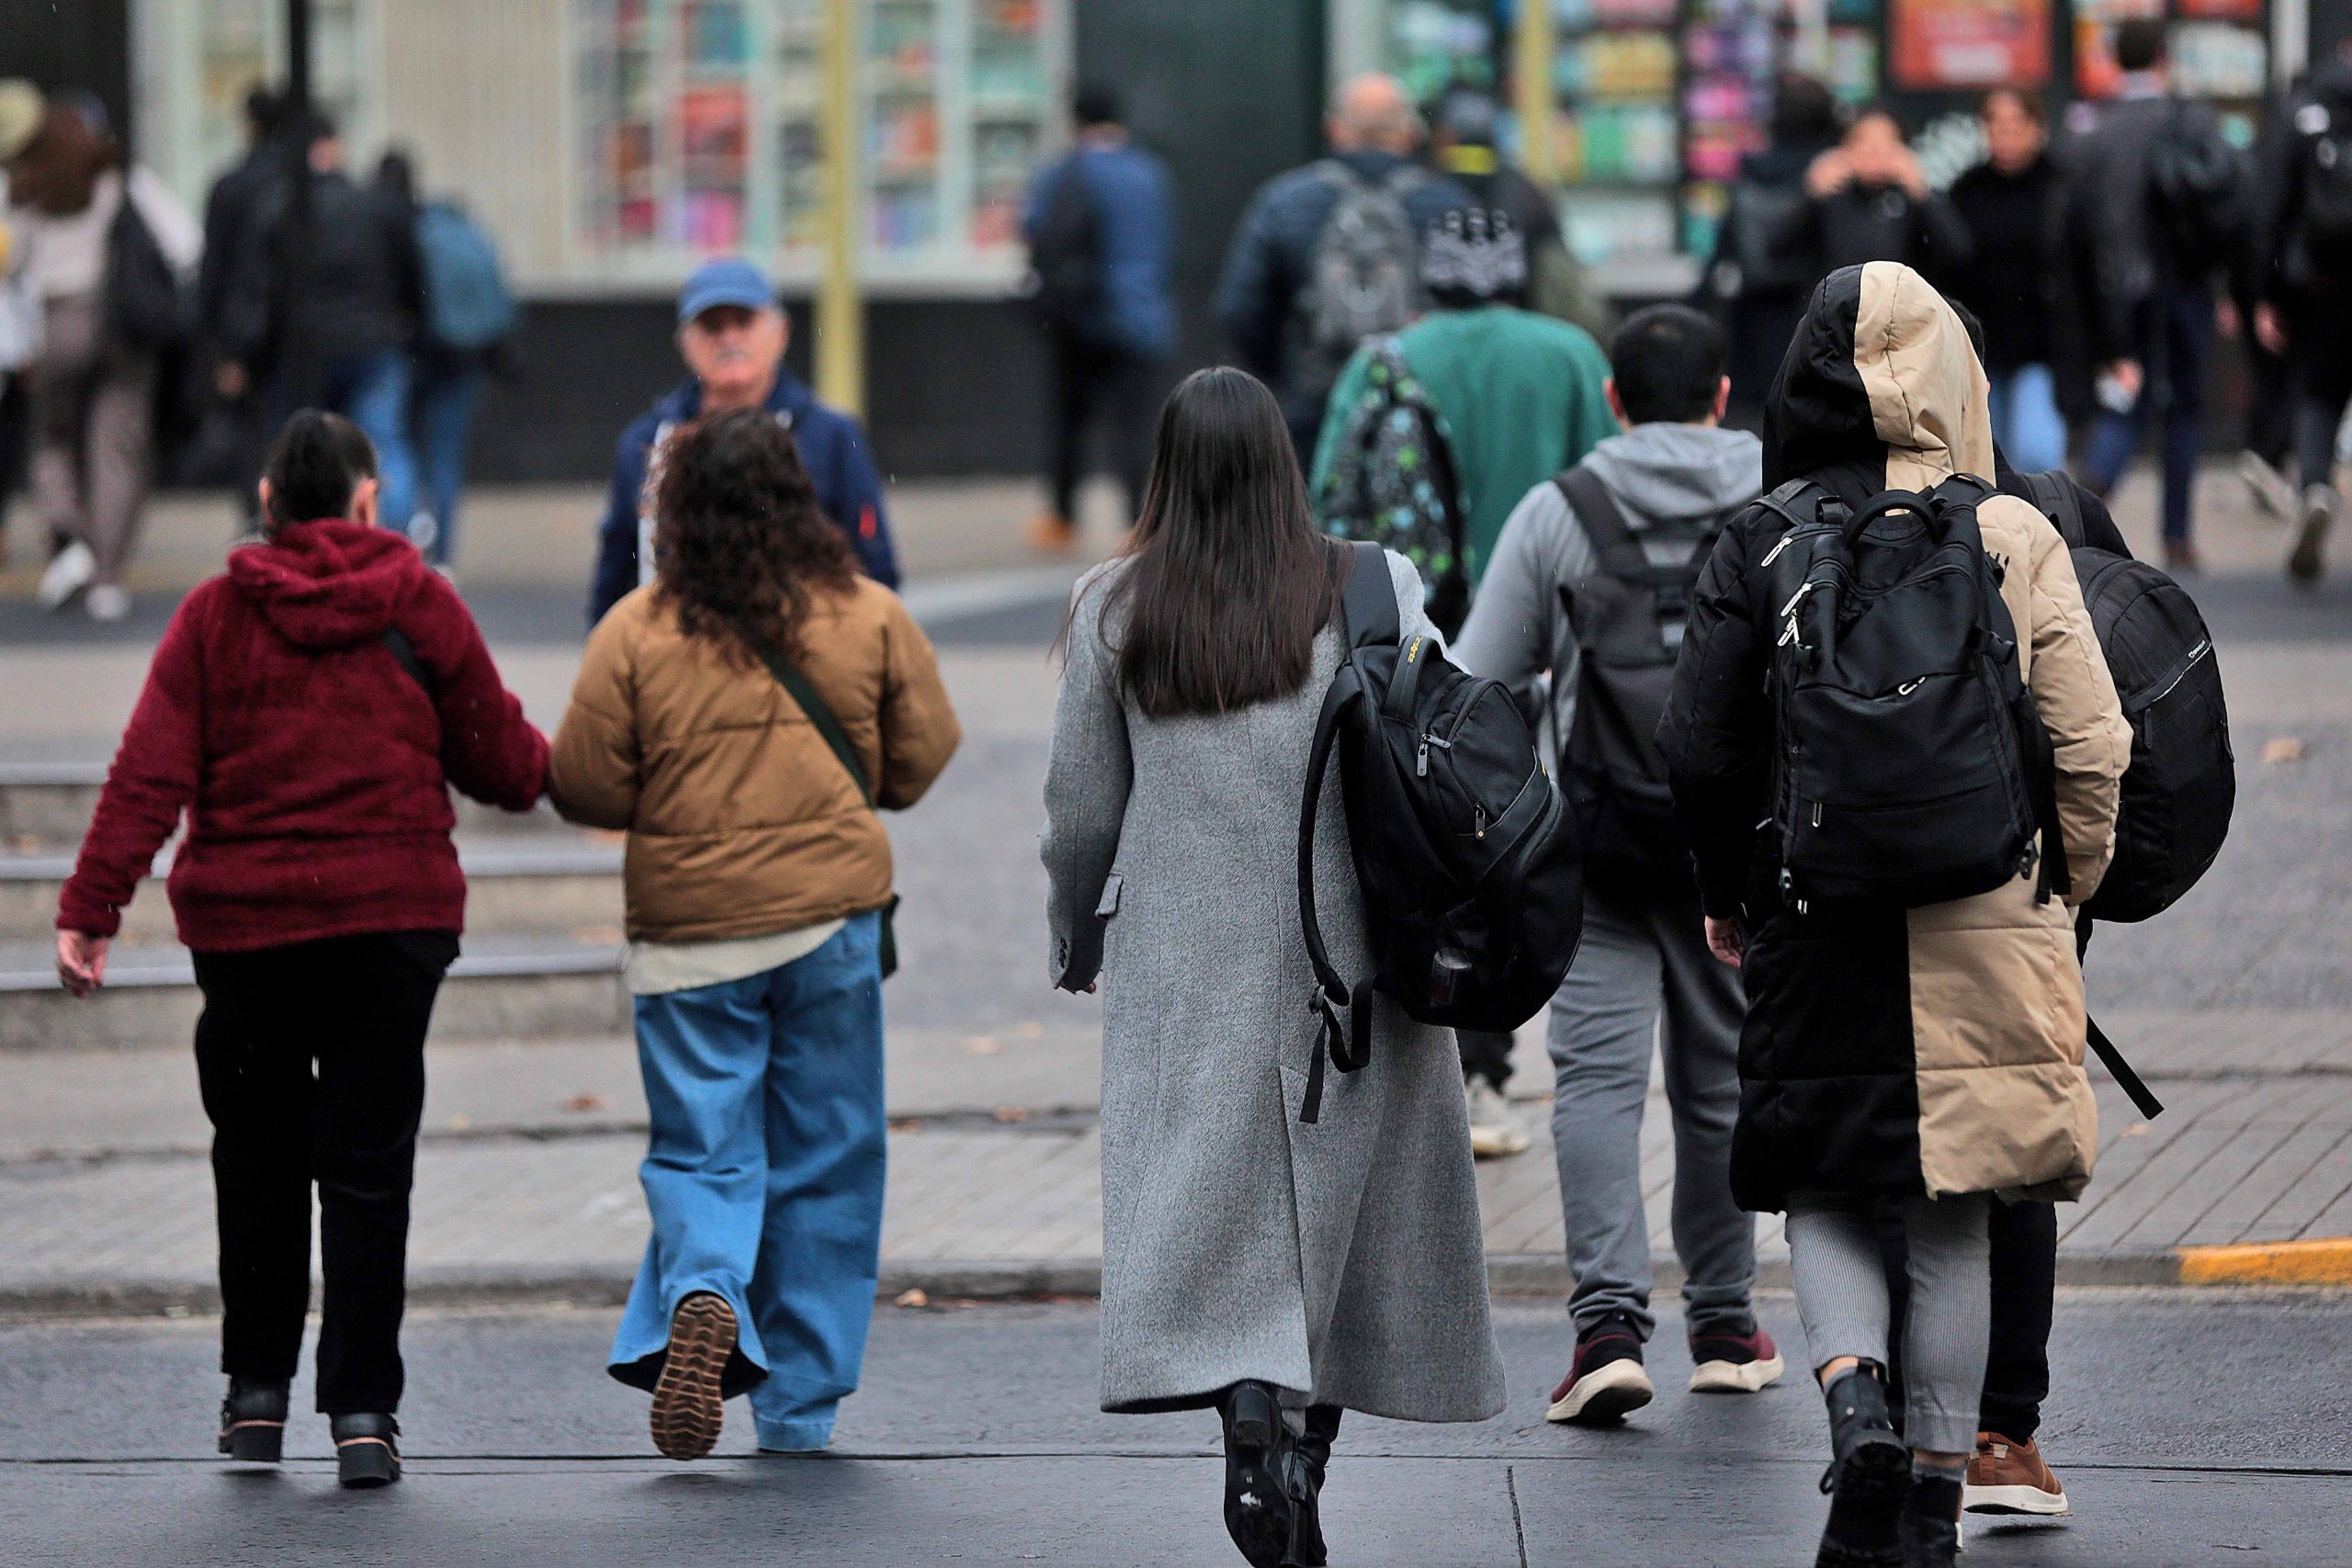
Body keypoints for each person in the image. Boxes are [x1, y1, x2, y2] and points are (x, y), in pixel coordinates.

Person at [1657, 263, 2131, 1568]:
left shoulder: (1760, 536)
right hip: (1987, 905)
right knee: (1954, 1207)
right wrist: (2066, 881)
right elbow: (2094, 741)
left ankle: (1853, 1396)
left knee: (1821, 1183)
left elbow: (1697, 749)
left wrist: (1727, 891)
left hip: (1815, 907)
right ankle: (1931, 1491)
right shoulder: (2013, 531)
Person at [1044, 367, 1504, 1568]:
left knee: (1217, 1215)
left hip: (1186, 965)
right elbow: (1439, 742)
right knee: (1351, 1222)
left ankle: (1250, 1414)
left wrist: (1076, 937)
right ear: (1282, 465)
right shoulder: (1371, 583)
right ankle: (1301, 1458)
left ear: (1167, 471)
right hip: (1351, 950)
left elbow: (1081, 808)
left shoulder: (1112, 605)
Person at [53, 411, 549, 1486]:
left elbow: (148, 774)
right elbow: (504, 766)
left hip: (249, 933)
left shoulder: (214, 614)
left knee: (258, 1161)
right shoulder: (422, 604)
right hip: (392, 925)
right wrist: (581, 764)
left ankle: (257, 1400)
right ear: (370, 500)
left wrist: (92, 907)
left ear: (269, 503)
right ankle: (364, 1414)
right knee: (370, 1173)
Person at [550, 408, 959, 1460]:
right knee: (829, 1159)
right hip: (829, 927)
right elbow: (921, 759)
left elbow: (585, 784)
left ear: (678, 512)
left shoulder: (635, 631)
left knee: (704, 1149)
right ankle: (798, 1409)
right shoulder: (868, 614)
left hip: (688, 938)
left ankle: (703, 1288)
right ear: (798, 498)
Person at [1453, 303, 1781, 1424]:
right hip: (1734, 851)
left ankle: (1605, 1332)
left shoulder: (1560, 513)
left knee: (1593, 1083)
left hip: (1595, 848)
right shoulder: (1775, 504)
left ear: (1612, 400)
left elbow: (1479, 681)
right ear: (1722, 397)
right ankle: (1726, 1326)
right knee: (1719, 1079)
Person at [1310, 204, 1613, 1157]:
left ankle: (1429, 1059)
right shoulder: (1567, 355)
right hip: (1541, 645)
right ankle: (1489, 1058)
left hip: (1407, 656)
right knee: (1511, 842)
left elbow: (1327, 503)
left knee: (1417, 847)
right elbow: (1599, 491)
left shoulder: (1382, 361)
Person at [590, 257, 898, 626]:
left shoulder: (832, 438)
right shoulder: (646, 441)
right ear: (685, 342)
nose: (729, 338)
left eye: (744, 321)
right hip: (674, 651)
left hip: (798, 648)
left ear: (780, 332)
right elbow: (615, 572)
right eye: (712, 325)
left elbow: (873, 565)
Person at [3, 87, 201, 622]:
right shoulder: (122, 179)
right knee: (119, 447)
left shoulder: (27, 188)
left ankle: (72, 535)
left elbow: (11, 264)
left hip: (58, 320)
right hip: (122, 324)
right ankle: (107, 576)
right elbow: (185, 243)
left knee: (51, 440)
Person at [2064, 17, 2250, 572]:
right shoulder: (2193, 118)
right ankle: (2177, 537)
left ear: (2116, 60)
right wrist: (2227, 286)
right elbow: (2227, 205)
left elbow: (2075, 224)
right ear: (2165, 59)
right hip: (2188, 285)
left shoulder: (2093, 128)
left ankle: (2079, 516)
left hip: (2120, 292)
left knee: (2125, 401)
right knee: (2186, 407)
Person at [1215, 73, 1472, 458]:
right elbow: (1476, 315)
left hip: (1315, 409)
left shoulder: (1284, 202)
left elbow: (1239, 308)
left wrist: (1288, 375)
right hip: (1423, 409)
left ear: (1333, 129)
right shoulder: (1449, 205)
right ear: (1409, 133)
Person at [1021, 84, 1177, 551]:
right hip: (1142, 316)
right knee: (1136, 427)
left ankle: (1062, 519)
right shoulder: (1150, 173)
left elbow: (1034, 230)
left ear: (1076, 121)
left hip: (1081, 320)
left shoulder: (1065, 172)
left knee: (1069, 422)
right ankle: (1140, 522)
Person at [377, 148, 516, 568]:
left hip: (411, 357)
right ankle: (443, 555)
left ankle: (403, 542)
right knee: (445, 456)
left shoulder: (398, 229)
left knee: (397, 450)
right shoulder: (460, 229)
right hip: (461, 357)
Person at [2254, 35, 2352, 583]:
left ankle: (2314, 485)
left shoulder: (2305, 106)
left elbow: (2269, 201)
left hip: (2320, 283)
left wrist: (2264, 293)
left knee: (2319, 392)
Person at [1704, 74, 1846, 427]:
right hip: (1815, 317)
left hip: (1751, 324)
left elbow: (1720, 260)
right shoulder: (1833, 173)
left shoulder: (1750, 173)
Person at [1425, 85, 1613, 341]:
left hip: (1445, 337)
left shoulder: (1426, 186)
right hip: (1527, 330)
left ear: (1445, 136)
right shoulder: (1525, 189)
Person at [1949, 90, 2068, 475]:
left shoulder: (2060, 185)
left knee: (2035, 451)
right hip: (1981, 339)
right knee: (1986, 453)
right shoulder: (1967, 189)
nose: (2007, 134)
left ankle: (2040, 509)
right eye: (1997, 125)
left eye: (2017, 124)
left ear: (2038, 128)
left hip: (2042, 339)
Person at [1772, 104, 1973, 298]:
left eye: (1886, 141)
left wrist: (1922, 194)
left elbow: (1958, 253)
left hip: (1898, 309)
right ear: (1843, 148)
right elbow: (1778, 250)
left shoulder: (1912, 199)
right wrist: (1811, 196)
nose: (1874, 150)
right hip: (1833, 309)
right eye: (1862, 140)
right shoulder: (1828, 196)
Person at [198, 85, 284, 529]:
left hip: (242, 326)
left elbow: (214, 269)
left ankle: (257, 509)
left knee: (250, 426)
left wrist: (220, 344)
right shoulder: (299, 184)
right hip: (295, 325)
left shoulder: (231, 186)